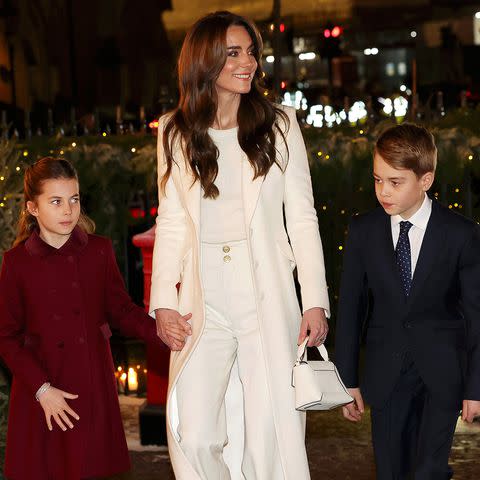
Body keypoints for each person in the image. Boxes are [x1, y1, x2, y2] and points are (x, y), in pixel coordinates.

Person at [149, 10, 330, 480]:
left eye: (250, 52)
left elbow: (303, 220)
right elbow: (169, 221)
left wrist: (315, 301)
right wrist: (163, 302)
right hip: (202, 297)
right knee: (193, 428)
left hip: (265, 290)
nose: (247, 62)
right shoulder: (174, 131)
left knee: (270, 428)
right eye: (233, 53)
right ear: (205, 61)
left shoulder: (281, 124)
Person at [0, 157, 164, 479]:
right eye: (56, 201)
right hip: (42, 391)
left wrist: (161, 331)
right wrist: (42, 389)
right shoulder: (17, 263)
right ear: (33, 208)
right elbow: (5, 336)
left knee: (91, 469)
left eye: (74, 199)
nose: (68, 210)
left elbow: (122, 310)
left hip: (91, 387)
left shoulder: (98, 251)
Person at [334, 124, 480, 479]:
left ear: (425, 180)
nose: (383, 191)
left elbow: (477, 317)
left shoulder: (461, 233)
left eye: (395, 182)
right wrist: (346, 382)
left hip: (443, 376)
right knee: (391, 472)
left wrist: (475, 389)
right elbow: (351, 310)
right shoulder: (363, 231)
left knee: (429, 472)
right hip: (386, 377)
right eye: (377, 179)